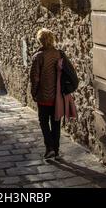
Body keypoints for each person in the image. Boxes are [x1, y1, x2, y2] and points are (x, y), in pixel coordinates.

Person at [30, 28, 78, 161]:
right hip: (58, 97)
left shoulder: (38, 57)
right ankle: (56, 151)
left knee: (43, 122)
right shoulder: (59, 54)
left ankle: (49, 148)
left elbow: (35, 79)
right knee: (56, 123)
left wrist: (34, 93)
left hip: (44, 97)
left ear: (40, 40)